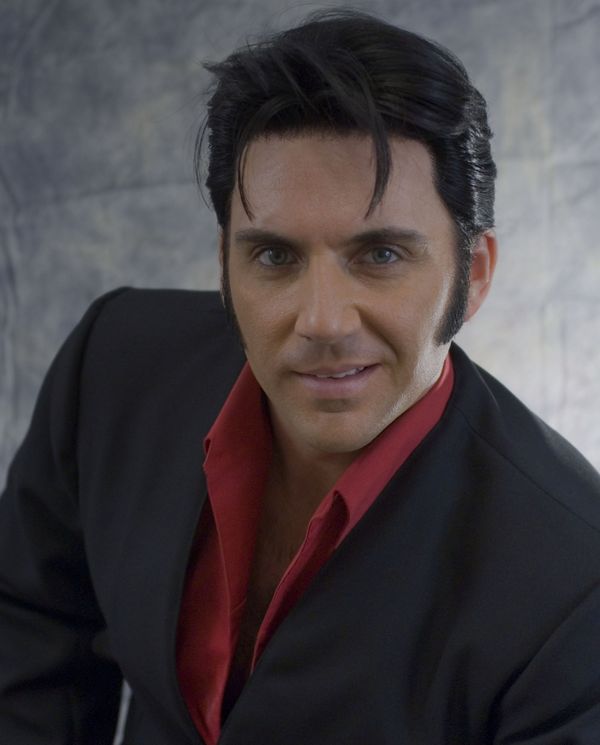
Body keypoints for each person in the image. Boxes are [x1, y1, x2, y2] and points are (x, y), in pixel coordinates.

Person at [1, 8, 599, 745]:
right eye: (275, 256)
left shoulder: (578, 585)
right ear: (225, 263)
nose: (322, 321)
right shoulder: (112, 367)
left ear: (472, 275)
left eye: (380, 255)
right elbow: (26, 632)